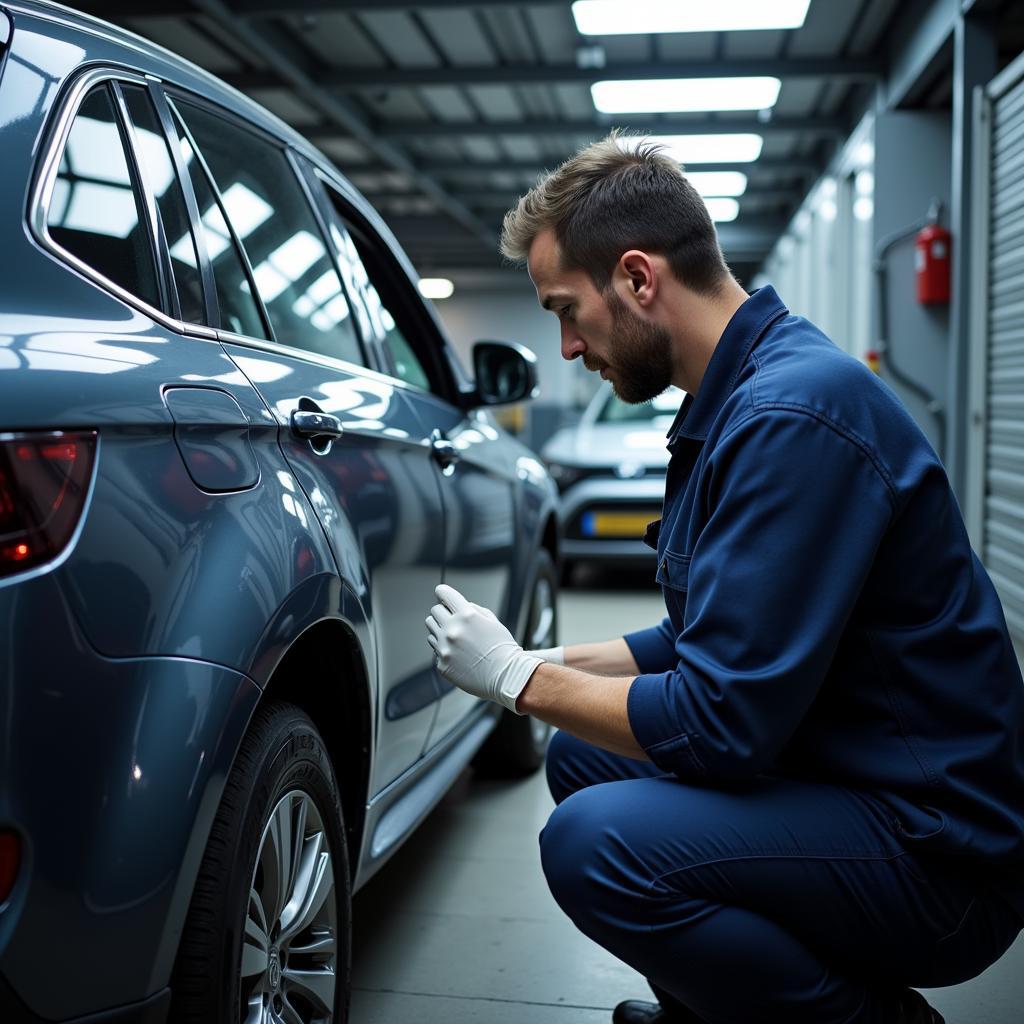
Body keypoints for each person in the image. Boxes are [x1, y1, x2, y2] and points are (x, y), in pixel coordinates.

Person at [424, 133, 1024, 1024]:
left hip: (935, 850)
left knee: (596, 844)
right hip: (847, 776)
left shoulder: (792, 415)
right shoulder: (735, 401)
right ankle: (724, 1008)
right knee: (587, 759)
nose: (562, 348)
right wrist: (547, 656)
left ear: (637, 278)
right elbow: (702, 635)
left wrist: (519, 682)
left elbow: (719, 723)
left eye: (564, 309)